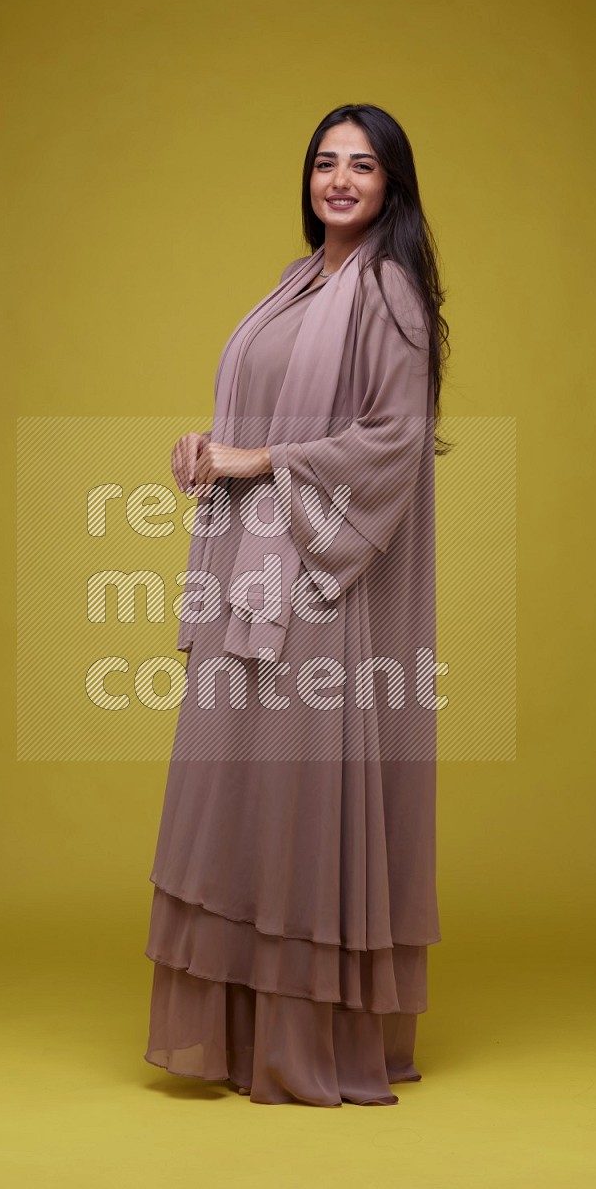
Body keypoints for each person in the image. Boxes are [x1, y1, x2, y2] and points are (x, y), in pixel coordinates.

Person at [143, 103, 450, 1107]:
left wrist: (262, 458)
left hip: (323, 577)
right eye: (325, 162)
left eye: (362, 165)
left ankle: (302, 1036)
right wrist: (212, 453)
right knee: (242, 784)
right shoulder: (296, 282)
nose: (339, 179)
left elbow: (390, 442)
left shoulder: (388, 291)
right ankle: (239, 1034)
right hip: (252, 561)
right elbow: (257, 421)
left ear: (390, 183)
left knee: (298, 795)